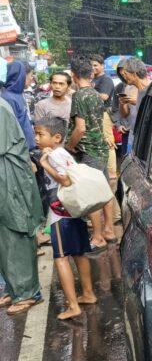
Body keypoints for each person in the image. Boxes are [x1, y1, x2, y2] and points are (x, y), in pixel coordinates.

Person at [34, 117, 96, 320]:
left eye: (40, 134)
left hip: (60, 214)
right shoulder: (64, 153)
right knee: (79, 253)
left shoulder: (53, 155)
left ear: (57, 137)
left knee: (61, 258)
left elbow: (65, 179)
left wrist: (44, 163)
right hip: (73, 210)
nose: (36, 138)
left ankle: (73, 306)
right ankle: (88, 293)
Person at [0, 98, 44, 315]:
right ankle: (14, 288)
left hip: (11, 182)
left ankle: (28, 292)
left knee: (15, 235)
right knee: (4, 240)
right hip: (4, 180)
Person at [66, 57, 114, 251]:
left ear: (74, 76)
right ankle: (109, 229)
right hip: (101, 148)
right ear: (91, 74)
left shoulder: (79, 96)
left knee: (91, 194)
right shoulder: (95, 94)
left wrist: (69, 146)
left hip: (88, 151)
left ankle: (98, 236)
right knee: (104, 190)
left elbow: (80, 129)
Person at [1, 60, 36, 150]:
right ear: (22, 76)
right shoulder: (8, 98)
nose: (32, 78)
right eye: (31, 75)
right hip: (20, 151)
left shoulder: (18, 95)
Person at [118, 57, 148, 155]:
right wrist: (123, 104)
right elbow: (125, 114)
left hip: (147, 140)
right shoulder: (128, 88)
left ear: (134, 74)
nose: (124, 77)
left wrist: (135, 101)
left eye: (125, 74)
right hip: (133, 135)